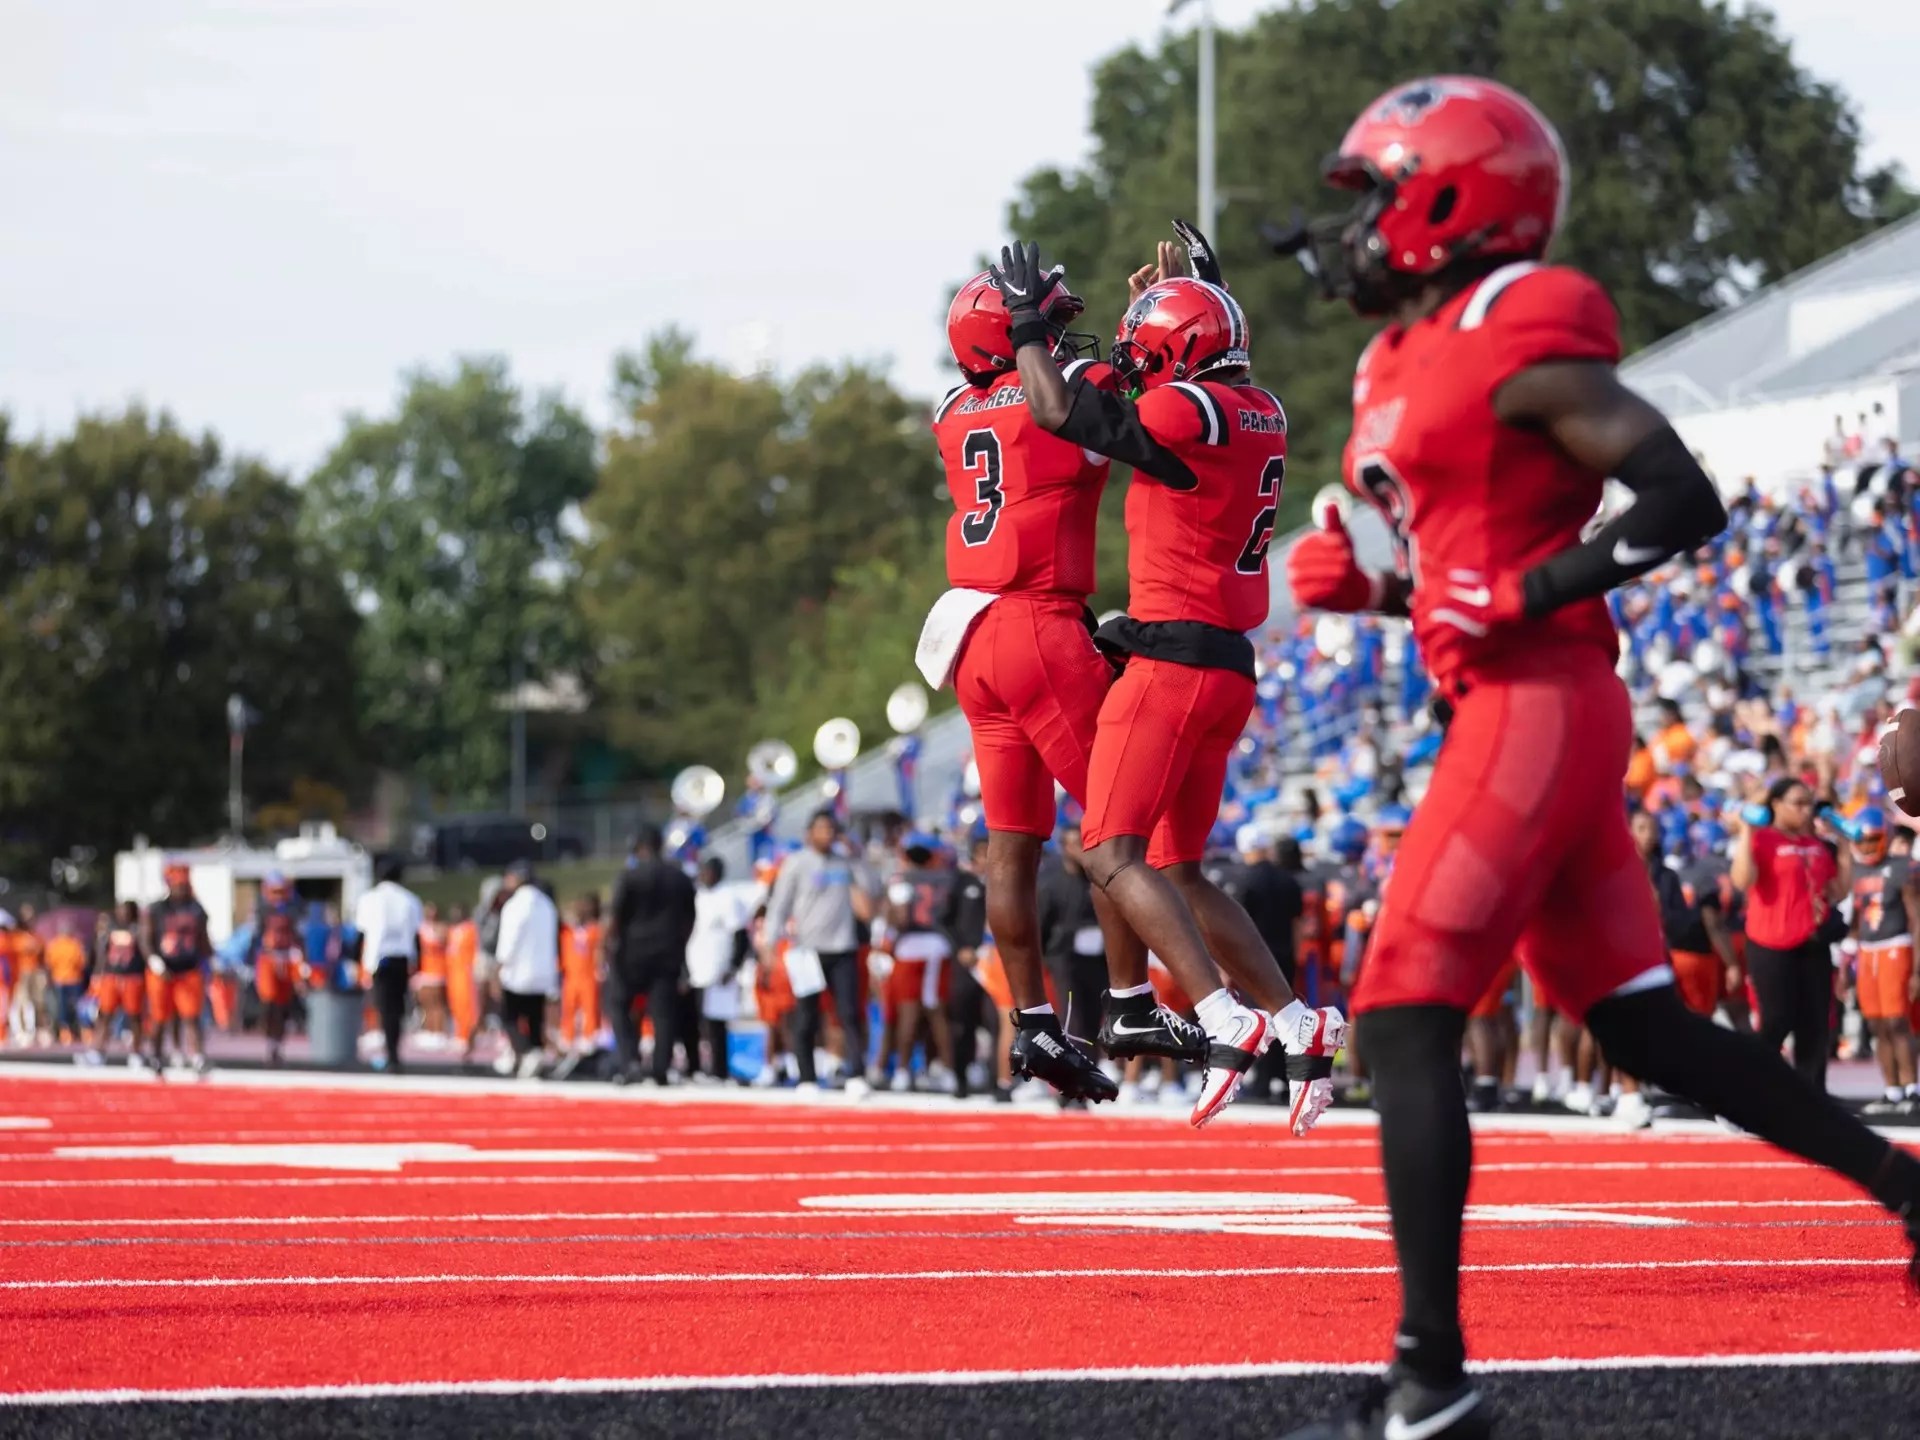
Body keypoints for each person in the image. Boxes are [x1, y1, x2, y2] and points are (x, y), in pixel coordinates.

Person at [1275, 76, 1919, 1439]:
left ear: (1452, 197)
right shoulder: (1394, 359)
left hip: (1542, 698)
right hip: (1501, 697)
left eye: (1385, 194)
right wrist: (1380, 592)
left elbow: (1679, 491)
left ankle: (1429, 1381)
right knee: (1641, 1025)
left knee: (1400, 1010)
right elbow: (1455, 570)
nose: (1366, 228)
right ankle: (1912, 1192)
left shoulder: (1527, 320)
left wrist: (1522, 594)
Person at [995, 241, 1345, 1131]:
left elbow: (1055, 406)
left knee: (1110, 853)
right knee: (1181, 870)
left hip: (1174, 661)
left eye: (1148, 351)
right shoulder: (1255, 405)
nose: (1134, 363)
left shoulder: (1190, 409)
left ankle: (1222, 1020)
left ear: (1180, 358)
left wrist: (1030, 322)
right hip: (1228, 664)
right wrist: (1193, 302)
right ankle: (1301, 1024)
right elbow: (1189, 366)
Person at [918, 267, 1199, 1104]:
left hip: (973, 635)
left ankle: (1033, 1023)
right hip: (1042, 627)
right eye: (1048, 320)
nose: (1063, 334)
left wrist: (1037, 328)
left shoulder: (949, 410)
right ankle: (1129, 1001)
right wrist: (1159, 310)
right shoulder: (1062, 385)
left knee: (1012, 844)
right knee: (1115, 833)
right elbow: (1159, 383)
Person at [1730, 778, 1851, 1091]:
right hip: (1771, 944)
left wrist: (1845, 845)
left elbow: (1838, 891)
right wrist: (1747, 828)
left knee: (1815, 1027)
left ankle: (1812, 1099)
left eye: (1808, 803)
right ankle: (1743, 1091)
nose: (1806, 810)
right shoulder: (1763, 839)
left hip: (1813, 945)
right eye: (1798, 803)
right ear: (1777, 806)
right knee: (1776, 1022)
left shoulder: (1817, 845)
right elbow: (1743, 881)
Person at [761, 810, 876, 1091]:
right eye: (821, 829)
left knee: (849, 1012)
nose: (826, 834)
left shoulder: (846, 862)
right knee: (806, 1014)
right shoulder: (796, 863)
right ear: (809, 833)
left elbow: (872, 891)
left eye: (831, 829)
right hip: (807, 950)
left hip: (842, 947)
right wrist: (769, 944)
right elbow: (779, 906)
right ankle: (807, 1077)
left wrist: (857, 857)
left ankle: (857, 1074)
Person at [605, 826, 697, 1085]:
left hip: (631, 952)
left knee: (619, 1005)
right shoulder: (680, 877)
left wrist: (608, 949)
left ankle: (630, 1062)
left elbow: (614, 917)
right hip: (667, 953)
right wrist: (679, 946)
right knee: (663, 1014)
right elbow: (690, 919)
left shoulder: (630, 876)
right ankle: (660, 1068)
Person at [1845, 807, 1919, 1113]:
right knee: (1876, 1025)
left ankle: (1912, 1089)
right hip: (1867, 951)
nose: (1864, 847)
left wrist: (1916, 969)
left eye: (1870, 840)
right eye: (1860, 841)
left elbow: (1916, 920)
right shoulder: (1857, 871)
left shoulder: (1904, 868)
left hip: (1895, 947)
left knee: (1897, 1021)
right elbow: (1857, 920)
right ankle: (1892, 1091)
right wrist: (1844, 967)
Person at [880, 833, 957, 1092]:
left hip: (909, 947)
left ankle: (903, 1071)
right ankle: (947, 1070)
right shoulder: (947, 878)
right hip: (937, 945)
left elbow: (899, 919)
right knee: (937, 1013)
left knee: (909, 1013)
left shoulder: (900, 880)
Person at [1035, 822, 1109, 1054]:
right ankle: (1074, 1067)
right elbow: (1041, 925)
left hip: (1097, 959)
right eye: (1076, 845)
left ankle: (1092, 1067)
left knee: (1094, 1013)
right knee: (1071, 1013)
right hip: (1064, 958)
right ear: (1065, 848)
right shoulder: (1051, 884)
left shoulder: (1099, 881)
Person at [353, 856, 423, 1074]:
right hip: (401, 960)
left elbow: (360, 934)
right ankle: (393, 1052)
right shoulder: (410, 900)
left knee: (385, 1008)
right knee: (397, 1008)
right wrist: (417, 962)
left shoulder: (369, 899)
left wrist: (356, 960)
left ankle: (391, 1054)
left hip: (379, 960)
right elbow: (416, 936)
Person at [937, 833, 993, 1098]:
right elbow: (944, 920)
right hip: (968, 962)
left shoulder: (1004, 882)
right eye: (983, 852)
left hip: (995, 962)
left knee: (998, 1021)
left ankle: (999, 1081)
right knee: (963, 1021)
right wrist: (961, 948)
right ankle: (960, 1078)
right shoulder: (961, 883)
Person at [686, 857, 752, 1082]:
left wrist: (733, 966)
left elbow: (741, 935)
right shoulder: (696, 896)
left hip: (719, 968)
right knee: (692, 1020)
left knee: (716, 1023)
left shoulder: (728, 898)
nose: (704, 875)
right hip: (696, 967)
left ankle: (719, 1070)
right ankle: (694, 1067)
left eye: (708, 871)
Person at [493, 859, 560, 1080]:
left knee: (509, 1016)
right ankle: (533, 1053)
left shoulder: (515, 905)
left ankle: (526, 1052)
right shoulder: (546, 904)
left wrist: (499, 966)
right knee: (534, 1018)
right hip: (542, 972)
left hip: (518, 972)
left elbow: (508, 941)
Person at [144, 866, 212, 1074]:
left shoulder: (196, 908)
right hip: (162, 969)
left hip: (189, 968)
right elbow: (146, 937)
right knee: (159, 1016)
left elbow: (203, 938)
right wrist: (154, 960)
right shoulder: (157, 908)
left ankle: (198, 1056)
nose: (182, 889)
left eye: (184, 884)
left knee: (191, 1015)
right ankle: (155, 1055)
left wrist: (210, 960)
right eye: (177, 884)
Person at [247, 873, 306, 1066]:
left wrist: (301, 960)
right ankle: (269, 1040)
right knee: (269, 1002)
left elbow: (298, 936)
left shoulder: (294, 910)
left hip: (287, 957)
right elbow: (255, 936)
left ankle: (277, 1044)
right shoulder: (261, 910)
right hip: (268, 958)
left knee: (283, 1005)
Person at [85, 902, 147, 1067]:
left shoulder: (138, 930)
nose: (122, 914)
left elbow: (144, 952)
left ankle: (136, 1051)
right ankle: (97, 1050)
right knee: (104, 1014)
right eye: (120, 910)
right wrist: (98, 974)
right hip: (111, 977)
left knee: (134, 1017)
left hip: (132, 978)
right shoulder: (110, 930)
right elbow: (102, 954)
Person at [557, 894, 603, 1059]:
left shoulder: (594, 931)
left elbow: (599, 950)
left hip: (588, 975)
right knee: (568, 1007)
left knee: (589, 1007)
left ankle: (589, 1036)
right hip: (571, 975)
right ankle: (567, 1037)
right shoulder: (567, 932)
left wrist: (600, 968)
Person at [44, 918, 90, 1047]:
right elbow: (83, 963)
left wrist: (49, 980)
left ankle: (68, 1032)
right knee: (75, 1007)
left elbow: (49, 965)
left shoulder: (55, 945)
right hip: (72, 979)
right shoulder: (75, 944)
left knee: (63, 1007)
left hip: (62, 980)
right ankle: (78, 1031)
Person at [414, 902, 451, 1046]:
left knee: (437, 1003)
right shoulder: (421, 929)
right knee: (426, 1003)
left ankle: (439, 1032)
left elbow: (441, 942)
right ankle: (430, 1031)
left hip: (438, 971)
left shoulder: (442, 928)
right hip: (424, 971)